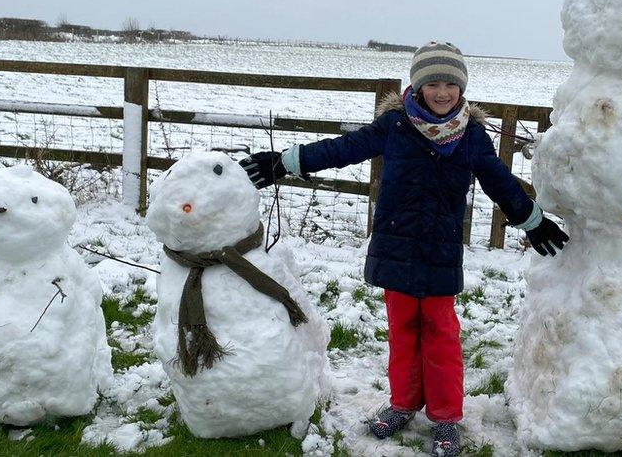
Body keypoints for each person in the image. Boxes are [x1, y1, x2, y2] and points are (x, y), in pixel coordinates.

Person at [239, 41, 568, 456]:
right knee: (402, 334)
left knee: (441, 336)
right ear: (418, 85)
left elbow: (499, 181)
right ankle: (403, 403)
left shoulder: (471, 135)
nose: (443, 92)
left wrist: (532, 220)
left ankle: (447, 417)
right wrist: (285, 162)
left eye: (451, 83)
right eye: (433, 83)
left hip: (439, 251)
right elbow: (343, 149)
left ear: (462, 88)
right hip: (394, 247)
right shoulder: (395, 125)